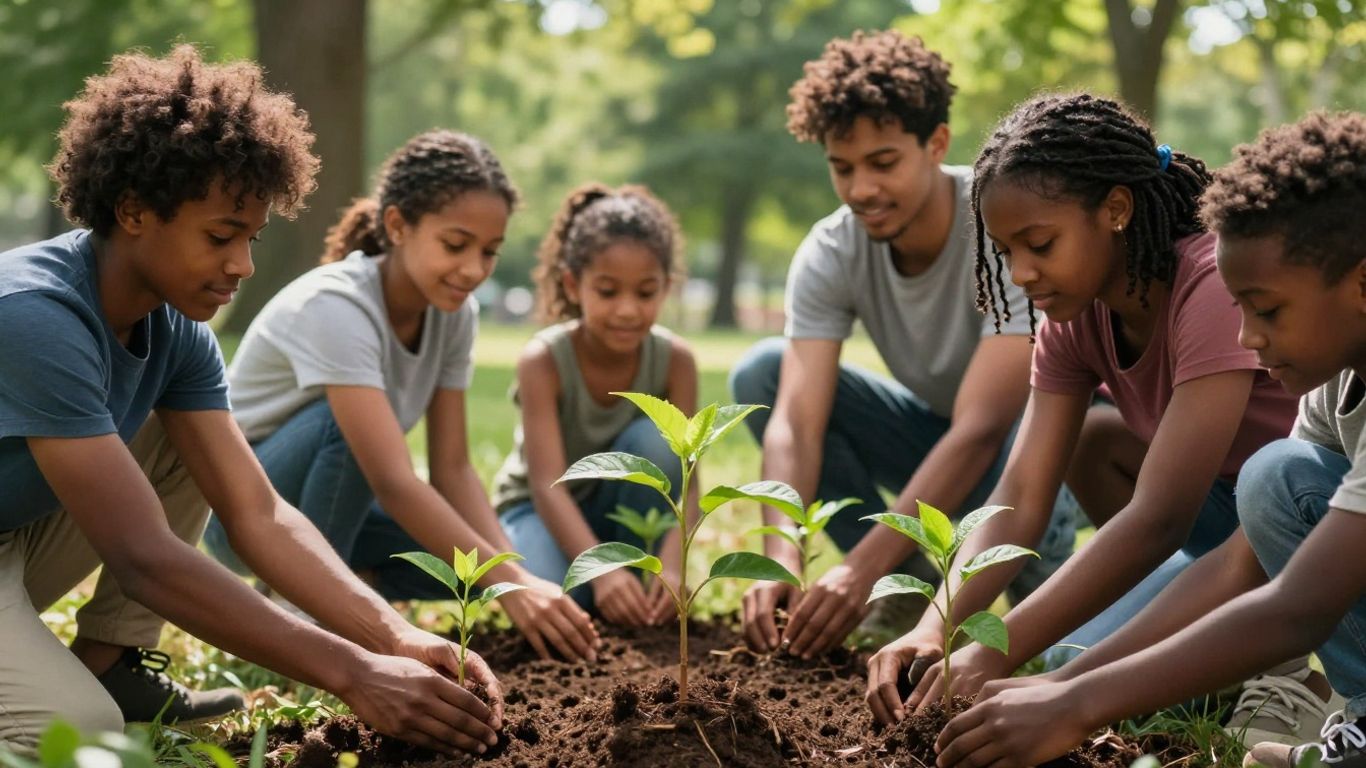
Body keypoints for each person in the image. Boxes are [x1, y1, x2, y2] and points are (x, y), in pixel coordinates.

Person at [0, 47, 504, 756]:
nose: (243, 265)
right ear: (135, 211)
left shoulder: (175, 328)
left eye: (252, 237)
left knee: (184, 437)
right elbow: (142, 555)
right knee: (74, 733)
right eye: (220, 236)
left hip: (14, 533)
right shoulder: (35, 316)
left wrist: (392, 634)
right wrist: (353, 673)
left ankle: (113, 665)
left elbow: (257, 511)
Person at [932, 110, 1366, 768]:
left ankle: (1303, 693)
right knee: (1272, 482)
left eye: (1268, 311)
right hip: (1262, 534)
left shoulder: (1205, 292)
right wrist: (1058, 682)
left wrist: (1076, 702)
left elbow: (1297, 605)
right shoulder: (1333, 391)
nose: (1248, 336)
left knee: (1272, 474)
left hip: (1278, 555)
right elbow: (1241, 564)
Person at [867, 93, 1304, 730]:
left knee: (1095, 686)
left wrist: (995, 649)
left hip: (1288, 522)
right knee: (1071, 642)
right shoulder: (1073, 317)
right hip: (1216, 523)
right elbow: (1020, 494)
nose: (1020, 273)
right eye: (1006, 251)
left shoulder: (1210, 284)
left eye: (1039, 243)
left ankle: (1278, 658)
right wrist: (937, 625)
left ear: (1117, 210)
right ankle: (1206, 624)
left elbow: (1160, 518)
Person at [729, 29, 1076, 658]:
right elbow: (795, 422)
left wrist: (860, 566)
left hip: (1032, 450)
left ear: (936, 143)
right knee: (763, 374)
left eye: (882, 163)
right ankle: (909, 584)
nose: (861, 188)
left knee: (1057, 644)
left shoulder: (1003, 222)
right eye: (842, 167)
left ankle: (931, 574)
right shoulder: (832, 250)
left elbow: (982, 428)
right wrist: (780, 556)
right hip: (933, 436)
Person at [204, 130, 599, 663]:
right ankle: (302, 609)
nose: (474, 270)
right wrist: (513, 583)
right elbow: (392, 480)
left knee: (473, 565)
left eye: (489, 252)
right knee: (341, 425)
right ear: (397, 226)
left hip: (339, 507)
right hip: (244, 514)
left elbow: (454, 468)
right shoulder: (336, 305)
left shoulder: (455, 313)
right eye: (455, 245)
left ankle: (349, 584)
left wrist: (514, 575)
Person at [492, 183, 696, 626]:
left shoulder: (675, 361)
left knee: (659, 444)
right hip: (540, 508)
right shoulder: (544, 360)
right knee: (568, 602)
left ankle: (631, 576)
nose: (627, 310)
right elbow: (549, 484)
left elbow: (689, 480)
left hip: (618, 507)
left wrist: (675, 565)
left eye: (645, 293)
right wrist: (600, 569)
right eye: (607, 291)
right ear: (573, 283)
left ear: (667, 287)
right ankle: (611, 576)